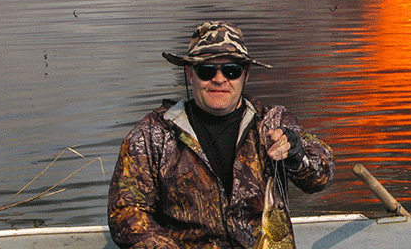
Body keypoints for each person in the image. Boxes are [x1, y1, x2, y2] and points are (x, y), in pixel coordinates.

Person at [108, 20, 334, 248]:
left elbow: (321, 175)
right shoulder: (153, 133)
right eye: (206, 70)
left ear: (245, 74)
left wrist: (297, 156)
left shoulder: (271, 123)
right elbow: (125, 213)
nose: (219, 79)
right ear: (189, 73)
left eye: (231, 70)